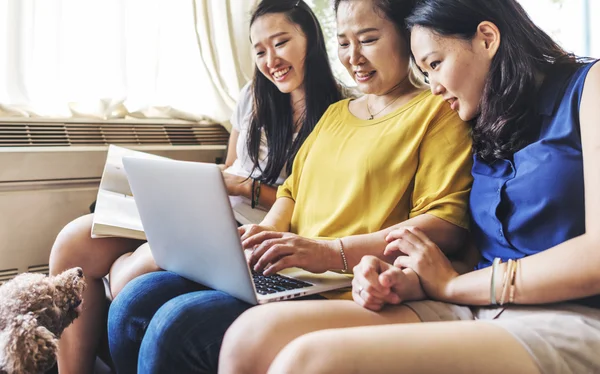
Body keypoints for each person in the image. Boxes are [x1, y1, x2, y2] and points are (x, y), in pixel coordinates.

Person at [220, 0, 600, 373]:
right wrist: (406, 279)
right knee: (251, 336)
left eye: (435, 64)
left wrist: (454, 287)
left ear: (486, 38)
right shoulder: (484, 117)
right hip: (474, 300)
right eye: (424, 70)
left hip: (566, 311)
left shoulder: (589, 88)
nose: (432, 86)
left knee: (310, 362)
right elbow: (473, 245)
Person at [108, 0, 474, 373]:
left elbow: (444, 228)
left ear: (407, 36)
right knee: (134, 302)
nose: (353, 57)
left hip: (345, 284)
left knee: (176, 325)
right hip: (286, 273)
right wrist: (262, 237)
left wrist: (328, 253)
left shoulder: (436, 112)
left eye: (368, 39)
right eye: (344, 43)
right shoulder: (335, 115)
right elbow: (291, 193)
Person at [47, 0, 342, 372]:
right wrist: (198, 184)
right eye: (260, 50)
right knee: (71, 243)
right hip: (216, 205)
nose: (271, 60)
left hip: (257, 222)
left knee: (128, 281)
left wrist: (243, 186)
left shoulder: (338, 112)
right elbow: (232, 163)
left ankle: (143, 258)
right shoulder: (252, 96)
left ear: (310, 39)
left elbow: (306, 200)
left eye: (281, 43)